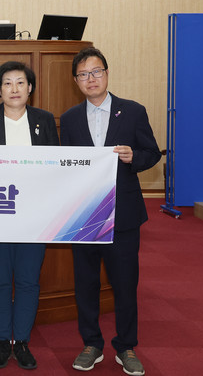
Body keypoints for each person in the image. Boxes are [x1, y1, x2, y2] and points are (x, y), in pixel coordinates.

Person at [61, 47, 160, 376]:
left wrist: (135, 157)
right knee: (86, 283)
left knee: (125, 283)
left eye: (96, 72)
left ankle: (126, 346)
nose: (91, 79)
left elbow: (152, 152)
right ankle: (91, 343)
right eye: (83, 74)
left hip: (124, 214)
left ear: (107, 73)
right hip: (85, 215)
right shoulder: (70, 118)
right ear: (76, 81)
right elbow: (65, 164)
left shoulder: (132, 111)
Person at [0, 61, 59, 370]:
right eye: (7, 83)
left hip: (35, 214)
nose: (14, 89)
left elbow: (56, 165)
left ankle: (20, 340)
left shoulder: (44, 120)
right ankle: (1, 340)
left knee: (27, 280)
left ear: (30, 88)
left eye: (20, 82)